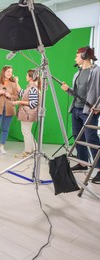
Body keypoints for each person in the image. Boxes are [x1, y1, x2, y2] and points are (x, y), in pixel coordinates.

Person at [61, 46, 100, 183]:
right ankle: (83, 162)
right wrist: (68, 90)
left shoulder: (97, 71)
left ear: (84, 56)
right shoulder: (76, 73)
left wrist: (99, 107)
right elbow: (77, 93)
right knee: (78, 137)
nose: (75, 58)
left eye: (77, 56)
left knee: (91, 139)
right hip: (76, 109)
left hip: (89, 111)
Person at [12, 69, 41, 158]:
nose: (25, 77)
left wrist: (19, 102)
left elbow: (33, 103)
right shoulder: (31, 87)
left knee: (26, 133)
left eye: (26, 75)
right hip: (28, 114)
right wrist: (16, 82)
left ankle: (27, 152)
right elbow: (22, 93)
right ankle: (35, 149)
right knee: (28, 132)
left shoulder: (32, 88)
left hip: (28, 114)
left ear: (30, 77)